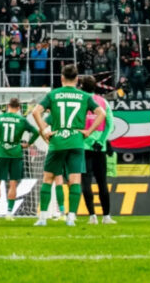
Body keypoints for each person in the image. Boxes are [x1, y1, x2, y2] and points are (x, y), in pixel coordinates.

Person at [31, 64, 106, 227]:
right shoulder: (84, 96)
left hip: (57, 140)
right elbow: (102, 113)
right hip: (76, 141)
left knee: (48, 178)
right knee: (75, 180)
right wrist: (88, 131)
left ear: (62, 78)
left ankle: (43, 218)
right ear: (77, 79)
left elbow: (35, 112)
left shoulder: (53, 94)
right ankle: (71, 217)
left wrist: (44, 129)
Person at [0, 97, 36, 221]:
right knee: (13, 184)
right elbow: (35, 132)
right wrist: (28, 143)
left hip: (2, 153)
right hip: (16, 154)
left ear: (7, 107)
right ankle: (9, 214)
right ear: (18, 108)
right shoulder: (22, 119)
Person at [80, 76, 116, 225]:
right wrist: (101, 141)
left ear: (82, 86)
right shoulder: (103, 101)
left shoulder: (79, 101)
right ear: (95, 86)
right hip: (99, 147)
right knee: (102, 182)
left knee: (86, 181)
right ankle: (106, 216)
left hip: (82, 146)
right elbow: (110, 124)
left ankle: (92, 216)